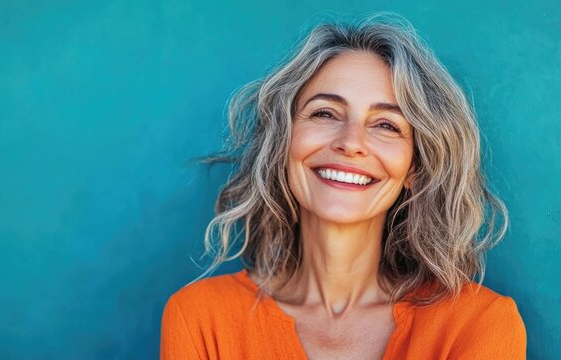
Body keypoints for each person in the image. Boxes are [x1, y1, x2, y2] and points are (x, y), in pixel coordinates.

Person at [160, 14, 526, 359]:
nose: (351, 142)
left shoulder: (478, 324)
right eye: (324, 113)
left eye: (386, 125)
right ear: (282, 144)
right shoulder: (200, 318)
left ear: (415, 167)